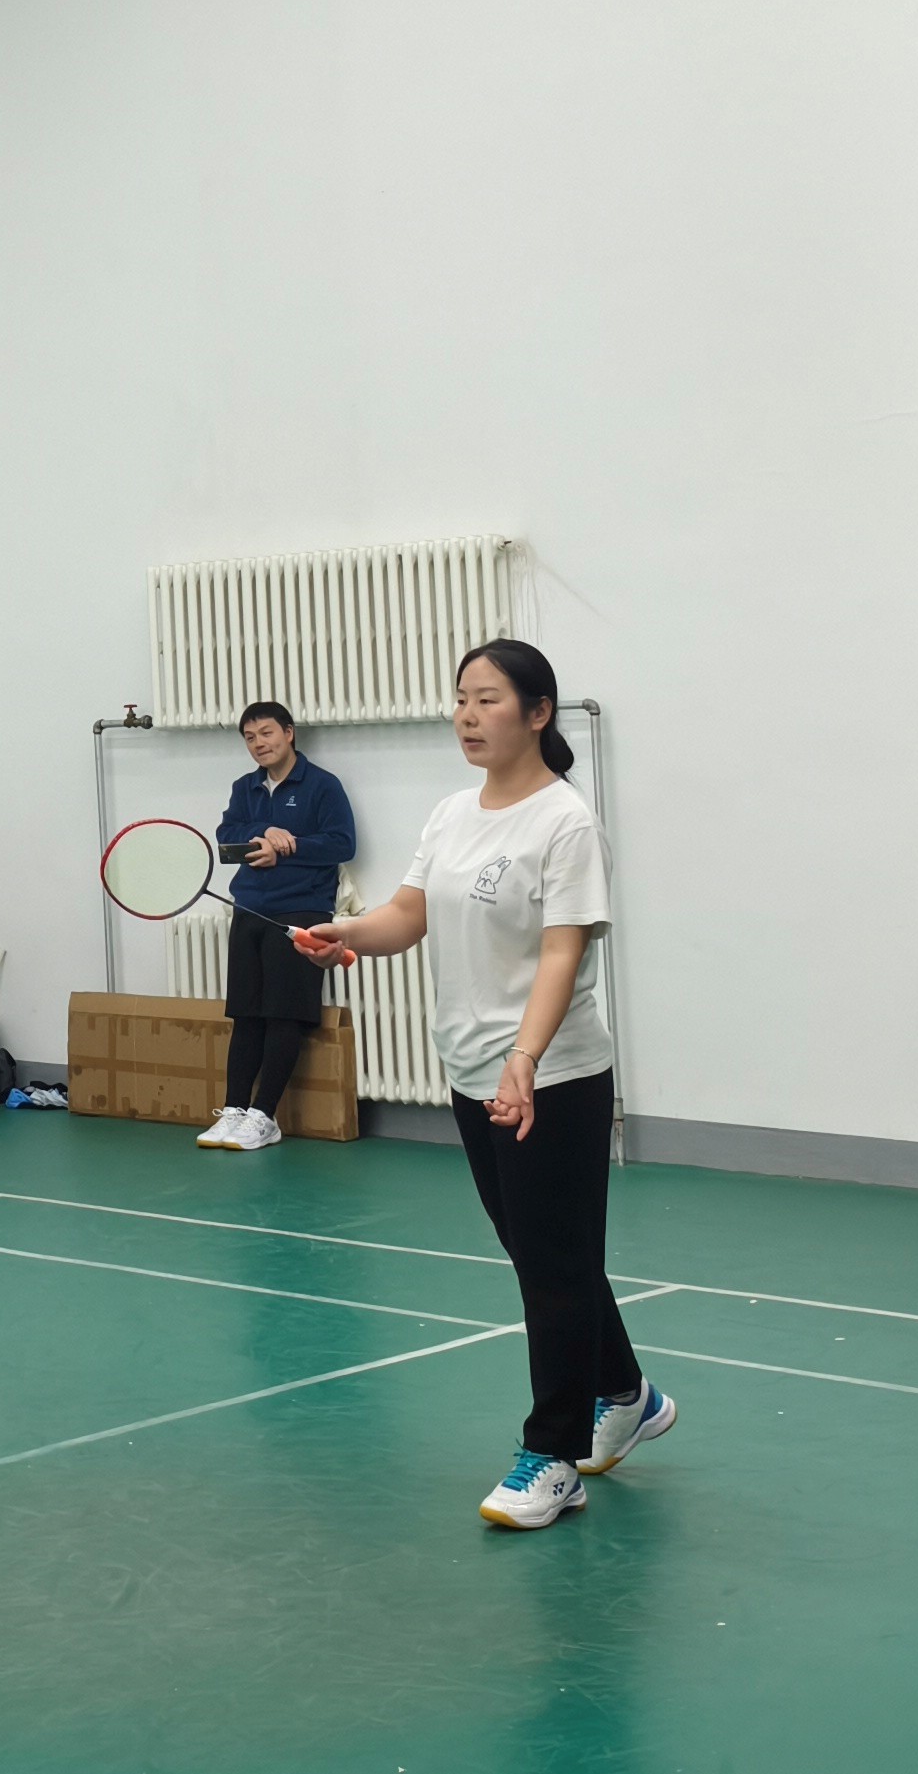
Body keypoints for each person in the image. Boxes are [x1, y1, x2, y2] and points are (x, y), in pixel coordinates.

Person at [296, 639, 672, 1530]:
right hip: (471, 1070)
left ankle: (554, 1456)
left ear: (538, 713)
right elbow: (408, 914)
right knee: (545, 1254)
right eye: (461, 699)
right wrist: (346, 933)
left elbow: (562, 951)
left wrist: (526, 1057)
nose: (467, 716)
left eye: (488, 699)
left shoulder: (565, 823)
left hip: (553, 1076)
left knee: (550, 1267)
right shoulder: (451, 813)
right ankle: (628, 1393)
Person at [198, 699, 357, 1153]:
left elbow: (342, 844)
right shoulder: (244, 787)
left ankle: (264, 1116)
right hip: (249, 908)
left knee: (283, 1014)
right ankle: (233, 1111)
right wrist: (264, 830)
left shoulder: (323, 785)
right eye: (249, 738)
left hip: (302, 911)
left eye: (266, 733)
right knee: (246, 1014)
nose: (258, 744)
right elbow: (227, 835)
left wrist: (287, 847)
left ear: (288, 733)